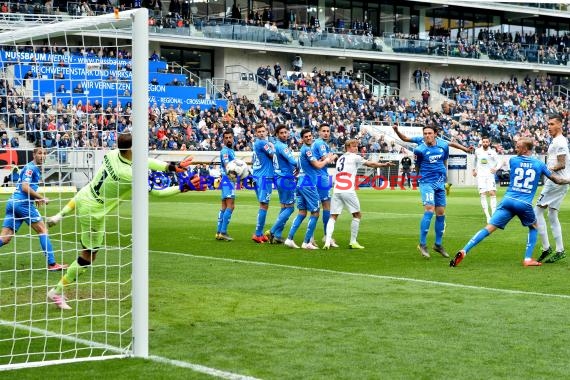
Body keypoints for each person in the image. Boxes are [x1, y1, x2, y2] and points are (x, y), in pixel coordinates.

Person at [46, 133, 201, 310]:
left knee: (88, 243)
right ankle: (57, 291)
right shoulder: (128, 174)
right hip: (93, 213)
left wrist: (173, 168)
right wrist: (183, 187)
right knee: (88, 256)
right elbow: (157, 192)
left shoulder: (114, 154)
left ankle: (60, 215)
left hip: (84, 196)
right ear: (131, 150)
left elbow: (146, 160)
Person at [450, 137, 570, 268]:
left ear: (525, 149)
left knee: (489, 227)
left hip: (508, 200)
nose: (515, 148)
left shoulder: (513, 160)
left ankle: (465, 249)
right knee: (534, 227)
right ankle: (528, 259)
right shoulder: (539, 164)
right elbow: (556, 180)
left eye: (518, 146)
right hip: (523, 203)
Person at [0, 148, 67, 271]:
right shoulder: (31, 168)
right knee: (43, 230)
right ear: (34, 155)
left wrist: (34, 197)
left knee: (5, 238)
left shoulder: (31, 167)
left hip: (13, 202)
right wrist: (41, 198)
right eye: (40, 153)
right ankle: (52, 264)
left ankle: (52, 264)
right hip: (22, 204)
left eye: (45, 153)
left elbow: (24, 187)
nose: (43, 156)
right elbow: (25, 187)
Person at [323, 139, 394, 249]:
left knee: (333, 216)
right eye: (353, 146)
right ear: (347, 147)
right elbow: (371, 163)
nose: (356, 148)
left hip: (337, 189)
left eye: (357, 146)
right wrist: (384, 164)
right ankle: (353, 242)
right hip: (347, 190)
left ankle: (327, 242)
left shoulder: (341, 158)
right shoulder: (354, 157)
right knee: (357, 215)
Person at [284, 128, 333, 250]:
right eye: (306, 136)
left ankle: (289, 239)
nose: (309, 138)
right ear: (302, 139)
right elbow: (318, 165)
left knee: (302, 212)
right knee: (315, 212)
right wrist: (327, 159)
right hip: (308, 184)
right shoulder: (307, 150)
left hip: (300, 183)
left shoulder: (302, 151)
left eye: (310, 136)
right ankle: (307, 242)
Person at [410, 124, 450, 259]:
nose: (427, 135)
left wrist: (444, 177)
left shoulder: (444, 146)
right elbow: (417, 166)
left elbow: (444, 161)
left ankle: (438, 244)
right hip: (426, 182)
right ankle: (422, 243)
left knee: (441, 212)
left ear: (435, 134)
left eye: (429, 133)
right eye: (425, 133)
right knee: (429, 209)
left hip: (440, 183)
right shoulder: (419, 150)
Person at [535, 114, 569, 263]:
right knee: (552, 215)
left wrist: (545, 169)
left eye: (552, 124)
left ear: (560, 125)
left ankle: (546, 247)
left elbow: (562, 163)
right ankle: (560, 250)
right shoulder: (557, 141)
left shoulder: (560, 142)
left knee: (536, 212)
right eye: (548, 124)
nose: (549, 127)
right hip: (560, 182)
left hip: (555, 182)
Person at [265, 124, 298, 244]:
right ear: (277, 135)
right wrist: (300, 165)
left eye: (285, 132)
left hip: (279, 178)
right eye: (281, 133)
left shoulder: (276, 146)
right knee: (290, 208)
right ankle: (272, 231)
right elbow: (293, 161)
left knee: (284, 207)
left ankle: (277, 235)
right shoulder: (282, 146)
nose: (284, 134)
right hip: (286, 179)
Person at [312, 124, 338, 247]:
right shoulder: (321, 144)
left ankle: (312, 237)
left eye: (328, 131)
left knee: (316, 206)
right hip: (321, 177)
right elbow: (327, 158)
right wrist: (334, 155)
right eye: (324, 131)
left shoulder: (318, 143)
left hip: (318, 176)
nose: (326, 133)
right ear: (319, 132)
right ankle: (326, 236)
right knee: (326, 205)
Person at [251, 123, 275, 243]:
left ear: (266, 132)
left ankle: (259, 232)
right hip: (264, 178)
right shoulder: (262, 143)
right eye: (259, 131)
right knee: (264, 205)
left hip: (257, 176)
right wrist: (272, 145)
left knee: (263, 204)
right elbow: (273, 155)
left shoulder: (256, 144)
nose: (261, 133)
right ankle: (258, 233)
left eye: (263, 131)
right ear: (256, 133)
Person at [473, 136, 502, 223]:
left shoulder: (492, 152)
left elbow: (500, 162)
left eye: (487, 142)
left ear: (489, 143)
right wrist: (474, 170)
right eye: (484, 142)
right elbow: (474, 161)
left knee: (492, 193)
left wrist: (496, 169)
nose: (485, 143)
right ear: (482, 142)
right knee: (483, 194)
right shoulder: (477, 151)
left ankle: (493, 214)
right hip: (481, 176)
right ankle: (487, 216)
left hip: (490, 176)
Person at [216, 129, 236, 241]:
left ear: (233, 138)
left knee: (224, 206)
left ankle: (219, 232)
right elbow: (227, 165)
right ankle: (223, 232)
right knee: (231, 206)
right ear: (223, 139)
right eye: (226, 138)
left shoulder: (230, 150)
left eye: (230, 137)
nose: (228, 139)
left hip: (227, 180)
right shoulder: (225, 151)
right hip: (228, 180)